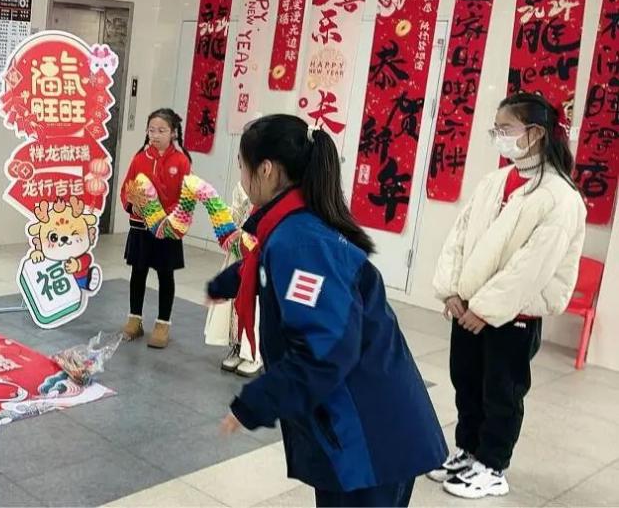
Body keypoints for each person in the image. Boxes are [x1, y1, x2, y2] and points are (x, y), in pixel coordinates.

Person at [208, 114, 445, 507]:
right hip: (362, 422)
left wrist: (255, 403)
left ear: (266, 170)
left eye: (242, 166)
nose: (242, 177)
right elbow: (267, 265)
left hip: (367, 434)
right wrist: (224, 285)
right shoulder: (295, 225)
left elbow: (325, 349)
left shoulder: (300, 240)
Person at [430, 93, 586, 499]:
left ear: (535, 133)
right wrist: (451, 291)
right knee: (467, 382)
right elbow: (459, 236)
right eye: (496, 129)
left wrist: (485, 308)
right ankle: (468, 450)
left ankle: (493, 465)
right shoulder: (494, 182)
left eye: (506, 129)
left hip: (513, 315)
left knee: (502, 392)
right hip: (469, 309)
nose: (499, 136)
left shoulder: (560, 197)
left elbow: (532, 266)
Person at [120, 108, 192, 349]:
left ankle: (162, 324)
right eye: (151, 130)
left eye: (161, 130)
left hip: (167, 228)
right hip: (140, 228)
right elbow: (127, 188)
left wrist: (164, 216)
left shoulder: (181, 161)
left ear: (173, 133)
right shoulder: (139, 159)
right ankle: (134, 319)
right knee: (138, 272)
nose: (155, 135)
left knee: (165, 274)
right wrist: (133, 204)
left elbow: (185, 196)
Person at [203, 182, 264, 377]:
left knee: (255, 304)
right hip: (239, 252)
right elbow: (236, 215)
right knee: (234, 305)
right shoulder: (241, 186)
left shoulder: (274, 186)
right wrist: (221, 214)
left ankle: (254, 354)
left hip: (259, 255)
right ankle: (238, 347)